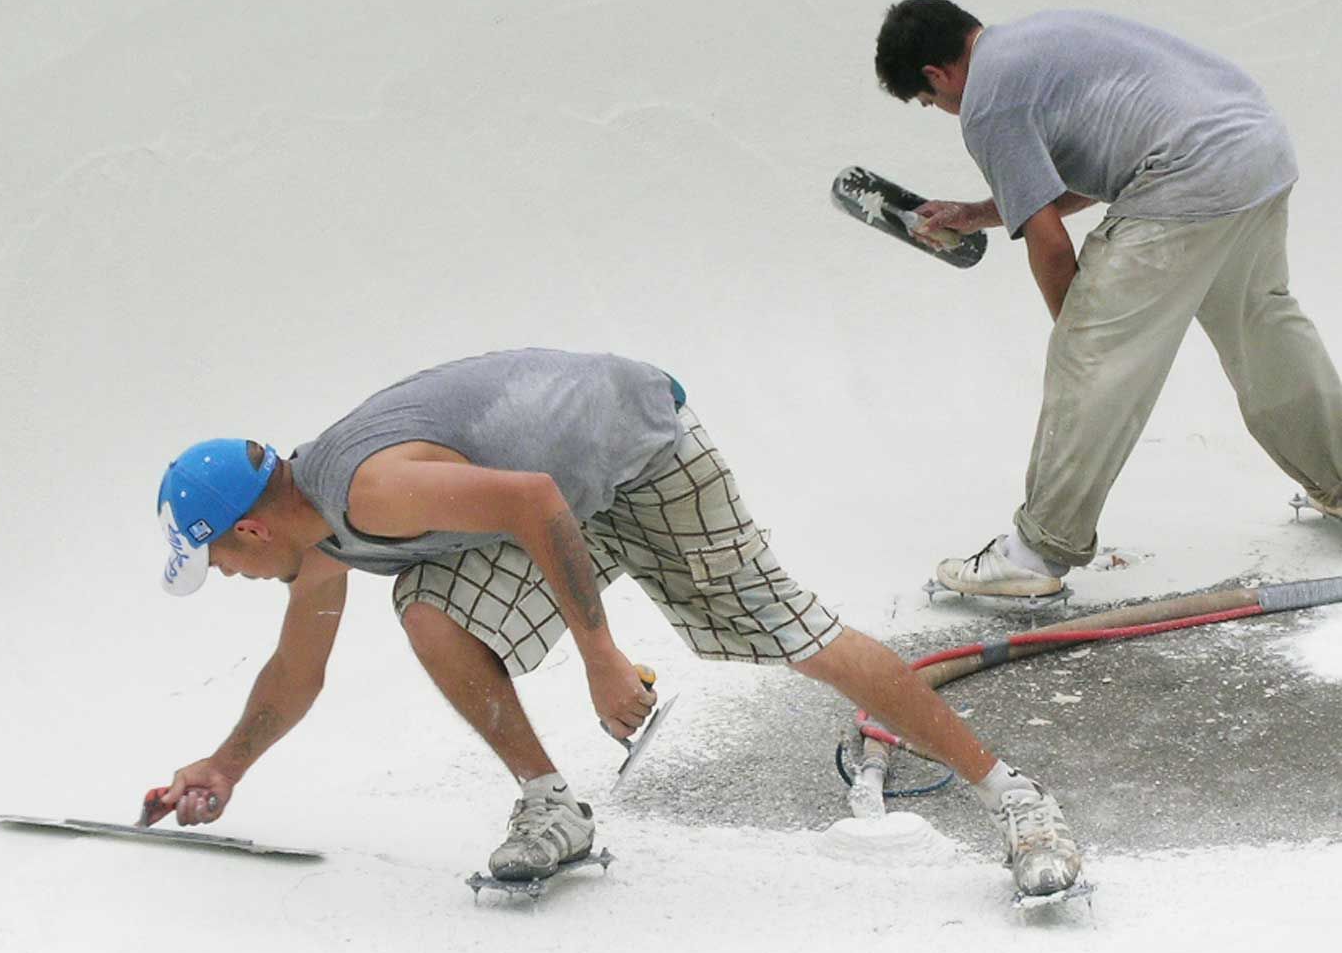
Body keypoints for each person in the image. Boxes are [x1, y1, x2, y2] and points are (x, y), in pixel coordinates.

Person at [149, 348, 1079, 896]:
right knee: (429, 611)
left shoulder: (367, 489)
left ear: (252, 525)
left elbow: (537, 498)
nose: (227, 573)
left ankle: (1019, 801)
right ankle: (554, 809)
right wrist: (223, 767)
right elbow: (295, 671)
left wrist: (599, 655)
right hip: (558, 494)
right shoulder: (323, 532)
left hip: (639, 455)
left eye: (219, 557)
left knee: (790, 629)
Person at [874, 0, 1342, 597]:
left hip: (1187, 174)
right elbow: (1097, 171)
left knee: (1091, 353)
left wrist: (1081, 336)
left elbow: (1047, 241)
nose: (944, 110)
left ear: (936, 75)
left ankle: (1036, 550)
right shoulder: (1045, 36)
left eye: (931, 101)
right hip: (1256, 151)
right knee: (1263, 325)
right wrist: (976, 215)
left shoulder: (988, 101)